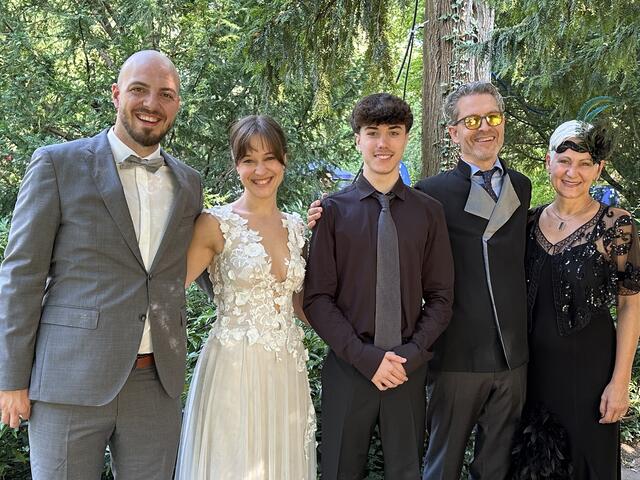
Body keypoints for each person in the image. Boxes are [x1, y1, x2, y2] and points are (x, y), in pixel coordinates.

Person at [0, 50, 203, 479]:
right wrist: (11, 378)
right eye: (139, 90)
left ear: (177, 104)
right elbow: (21, 276)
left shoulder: (188, 183)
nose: (151, 103)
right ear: (116, 94)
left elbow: (206, 258)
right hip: (69, 380)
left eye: (165, 94)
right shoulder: (58, 164)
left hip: (156, 385)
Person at [304, 93, 454, 479]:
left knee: (406, 471)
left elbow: (441, 297)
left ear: (406, 138)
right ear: (358, 139)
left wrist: (411, 354)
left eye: (393, 132)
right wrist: (365, 357)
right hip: (349, 366)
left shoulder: (428, 212)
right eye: (372, 133)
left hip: (407, 369)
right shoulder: (332, 211)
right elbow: (317, 299)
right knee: (339, 470)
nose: (382, 143)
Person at [175, 115, 316, 479]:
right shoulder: (214, 224)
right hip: (234, 369)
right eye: (249, 160)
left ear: (284, 160)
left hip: (287, 370)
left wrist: (356, 343)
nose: (260, 170)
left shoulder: (295, 227)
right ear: (236, 165)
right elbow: (168, 293)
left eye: (269, 158)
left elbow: (301, 304)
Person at [414, 81, 531, 479]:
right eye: (472, 120)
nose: (484, 127)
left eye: (493, 117)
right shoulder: (431, 193)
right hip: (456, 356)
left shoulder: (521, 186)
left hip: (512, 356)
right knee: (442, 467)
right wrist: (328, 213)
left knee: (496, 468)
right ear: (453, 132)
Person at [511, 120, 640, 479]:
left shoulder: (616, 225)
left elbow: (630, 304)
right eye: (565, 160)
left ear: (599, 169)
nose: (573, 172)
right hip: (532, 376)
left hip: (592, 378)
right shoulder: (527, 222)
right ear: (548, 161)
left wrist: (620, 382)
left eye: (585, 163)